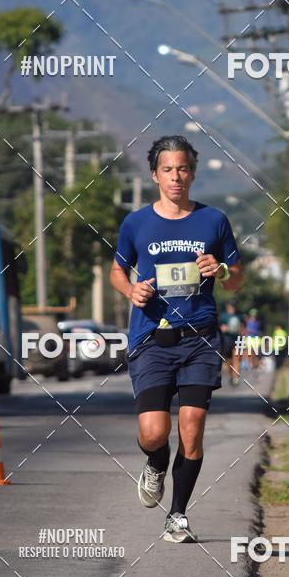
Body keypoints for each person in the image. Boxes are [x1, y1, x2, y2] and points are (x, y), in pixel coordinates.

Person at [109, 135, 244, 543]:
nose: (176, 177)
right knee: (154, 432)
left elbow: (237, 280)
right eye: (167, 169)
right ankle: (155, 463)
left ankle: (178, 514)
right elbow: (117, 270)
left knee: (192, 426)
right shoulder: (136, 223)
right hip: (151, 338)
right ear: (155, 175)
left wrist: (220, 271)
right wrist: (130, 290)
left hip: (199, 336)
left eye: (183, 169)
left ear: (193, 173)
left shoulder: (214, 221)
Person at [219, 302, 242, 386]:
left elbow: (242, 326)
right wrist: (223, 329)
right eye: (229, 307)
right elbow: (220, 327)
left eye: (232, 307)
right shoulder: (223, 316)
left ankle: (235, 378)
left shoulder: (239, 316)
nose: (231, 309)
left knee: (236, 358)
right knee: (228, 360)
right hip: (227, 340)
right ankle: (231, 375)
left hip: (237, 339)